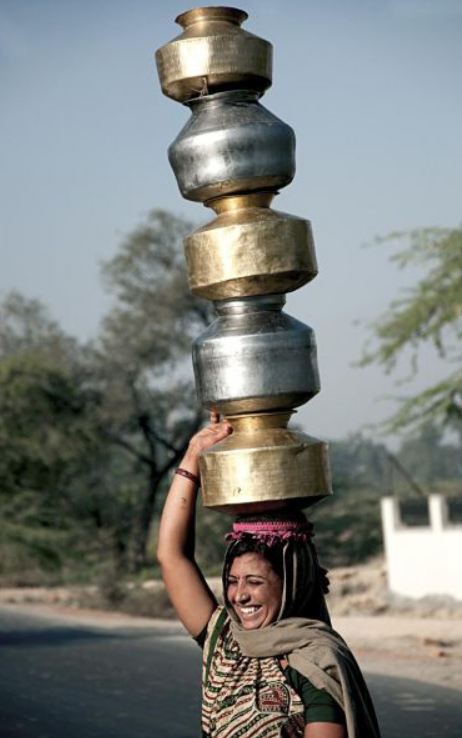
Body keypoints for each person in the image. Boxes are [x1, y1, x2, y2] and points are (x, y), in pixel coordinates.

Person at [157, 413, 381, 738]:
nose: (239, 595)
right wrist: (193, 455)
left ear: (291, 585)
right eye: (233, 581)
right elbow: (171, 556)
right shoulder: (224, 638)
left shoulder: (315, 660)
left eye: (255, 582)